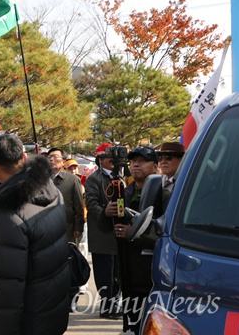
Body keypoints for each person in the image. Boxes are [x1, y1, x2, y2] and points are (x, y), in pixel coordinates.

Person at [0, 134, 70, 335]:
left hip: (29, 318)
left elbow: (9, 282)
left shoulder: (8, 214)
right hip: (53, 306)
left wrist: (5, 329)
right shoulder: (52, 190)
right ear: (25, 158)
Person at [98, 146, 169, 334]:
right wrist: (106, 214)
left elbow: (166, 233)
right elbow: (104, 228)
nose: (136, 164)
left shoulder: (165, 195)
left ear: (155, 167)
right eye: (133, 161)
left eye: (143, 160)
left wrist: (135, 233)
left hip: (152, 275)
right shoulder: (123, 193)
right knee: (131, 325)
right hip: (127, 272)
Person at [84, 143, 122, 319]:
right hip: (102, 233)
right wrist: (105, 212)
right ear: (101, 159)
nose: (113, 161)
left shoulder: (122, 177)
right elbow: (91, 203)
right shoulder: (94, 179)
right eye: (109, 158)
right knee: (104, 272)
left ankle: (116, 302)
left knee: (118, 272)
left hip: (120, 233)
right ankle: (107, 305)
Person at [47, 148, 84, 243]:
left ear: (63, 161)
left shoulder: (72, 180)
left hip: (67, 227)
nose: (51, 159)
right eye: (49, 157)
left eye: (55, 156)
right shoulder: (42, 179)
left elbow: (79, 206)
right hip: (46, 227)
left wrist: (78, 227)